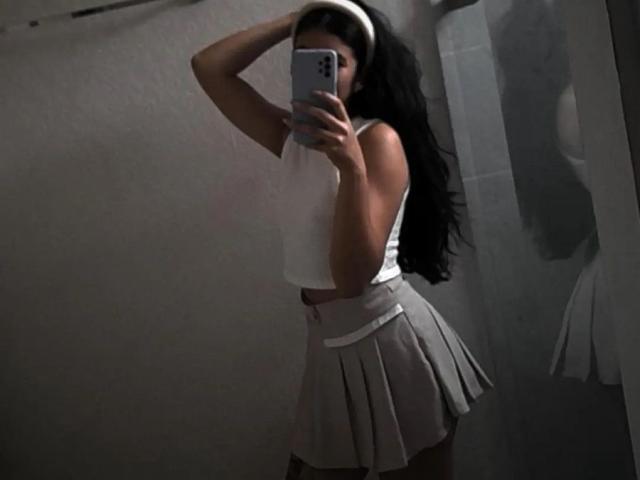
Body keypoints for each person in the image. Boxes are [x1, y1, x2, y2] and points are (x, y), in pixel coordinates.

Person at [191, 1, 494, 478]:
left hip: (389, 338)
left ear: (363, 76)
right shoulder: (290, 139)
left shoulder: (378, 141)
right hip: (328, 344)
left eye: (332, 62)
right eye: (304, 59)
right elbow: (208, 67)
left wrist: (351, 168)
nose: (317, 72)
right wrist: (293, 21)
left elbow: (352, 279)